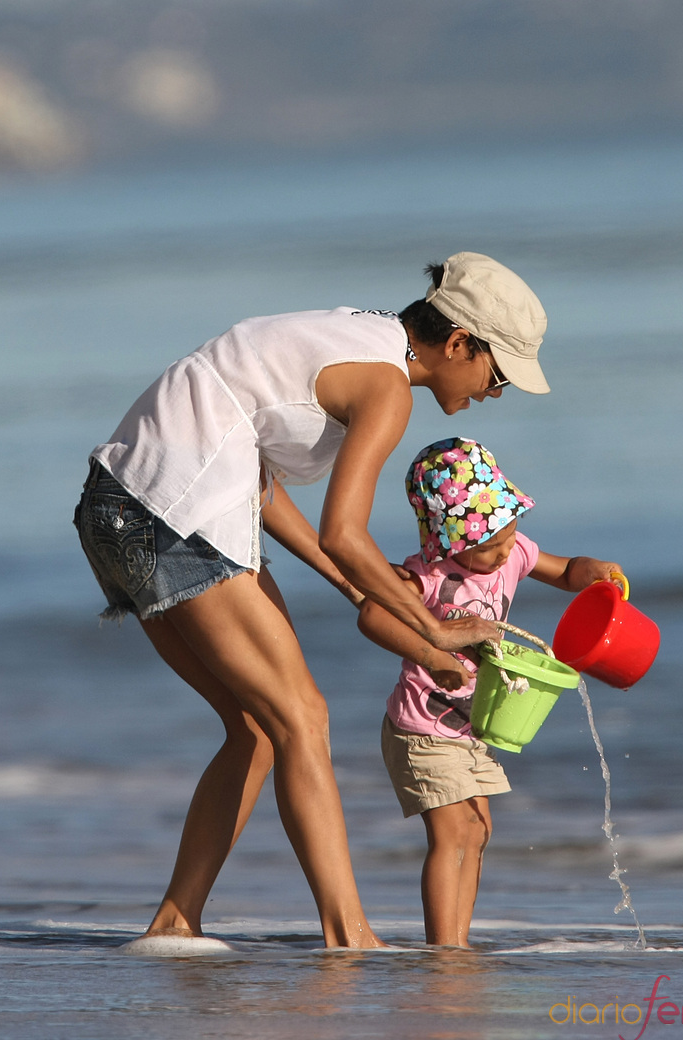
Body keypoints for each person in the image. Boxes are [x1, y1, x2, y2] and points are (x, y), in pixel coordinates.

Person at [73, 252, 550, 949]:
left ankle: (177, 921)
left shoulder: (355, 334)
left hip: (118, 503)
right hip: (170, 511)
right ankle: (350, 936)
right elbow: (344, 531)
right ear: (457, 344)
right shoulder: (389, 389)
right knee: (304, 717)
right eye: (498, 373)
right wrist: (436, 630)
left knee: (259, 727)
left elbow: (262, 483)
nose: (496, 391)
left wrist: (361, 586)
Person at [358, 438, 623, 948]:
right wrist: (435, 657)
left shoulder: (513, 552)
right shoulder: (425, 577)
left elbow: (564, 571)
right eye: (487, 544)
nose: (503, 549)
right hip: (422, 727)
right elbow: (372, 615)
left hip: (471, 725)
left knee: (477, 831)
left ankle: (457, 942)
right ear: (450, 540)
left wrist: (590, 573)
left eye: (507, 531)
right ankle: (444, 950)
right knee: (451, 834)